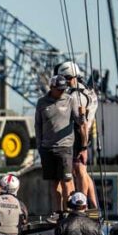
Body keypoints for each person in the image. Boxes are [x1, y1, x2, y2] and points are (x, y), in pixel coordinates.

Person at [36, 75, 88, 218]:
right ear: (52, 88)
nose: (61, 92)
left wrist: (83, 115)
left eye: (63, 89)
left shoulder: (70, 100)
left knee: (67, 181)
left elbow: (79, 121)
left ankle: (68, 211)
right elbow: (38, 125)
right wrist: (39, 146)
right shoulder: (42, 103)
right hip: (47, 148)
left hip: (65, 148)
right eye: (59, 89)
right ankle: (57, 211)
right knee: (54, 182)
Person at [57, 61, 100, 209]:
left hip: (79, 136)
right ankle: (93, 206)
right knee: (83, 171)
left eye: (67, 78)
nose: (65, 82)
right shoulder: (89, 91)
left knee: (79, 170)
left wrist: (82, 145)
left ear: (73, 77)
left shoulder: (76, 96)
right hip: (85, 135)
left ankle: (83, 205)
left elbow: (80, 123)